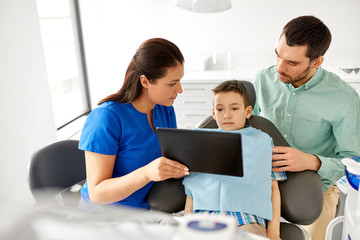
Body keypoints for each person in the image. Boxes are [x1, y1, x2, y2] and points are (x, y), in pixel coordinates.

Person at [252, 15, 360, 240]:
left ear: (317, 61)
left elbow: (354, 161)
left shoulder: (344, 99)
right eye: (278, 56)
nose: (280, 68)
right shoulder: (263, 79)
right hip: (262, 183)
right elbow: (244, 128)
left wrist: (311, 161)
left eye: (292, 63)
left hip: (314, 191)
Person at [78, 38, 189, 210]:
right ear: (145, 81)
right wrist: (147, 173)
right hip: (104, 220)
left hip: (147, 213)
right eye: (172, 83)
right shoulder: (106, 118)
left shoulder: (164, 110)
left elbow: (167, 161)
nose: (180, 89)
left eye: (180, 81)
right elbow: (97, 194)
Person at [183, 80, 286, 239]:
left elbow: (273, 189)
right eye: (219, 109)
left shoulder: (263, 142)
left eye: (235, 108)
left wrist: (274, 233)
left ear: (248, 111)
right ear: (213, 113)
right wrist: (185, 225)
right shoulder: (201, 141)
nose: (226, 115)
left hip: (246, 219)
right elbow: (193, 189)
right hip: (206, 218)